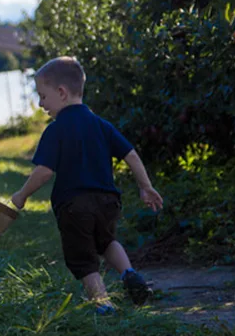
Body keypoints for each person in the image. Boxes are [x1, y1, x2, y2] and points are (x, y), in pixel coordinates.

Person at [10, 57, 162, 314]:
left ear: (61, 92)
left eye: (43, 96)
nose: (40, 104)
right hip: (108, 201)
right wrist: (145, 186)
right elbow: (131, 155)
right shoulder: (102, 125)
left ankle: (103, 305)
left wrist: (22, 194)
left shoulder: (55, 130)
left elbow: (44, 172)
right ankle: (130, 274)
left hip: (74, 206)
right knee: (107, 241)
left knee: (83, 259)